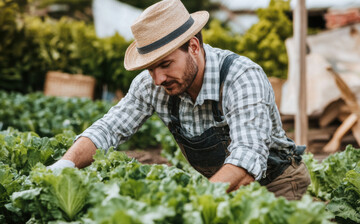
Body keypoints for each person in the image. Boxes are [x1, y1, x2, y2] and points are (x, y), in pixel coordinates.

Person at [49, 0, 311, 200]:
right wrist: (64, 164)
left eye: (165, 64)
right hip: (219, 189)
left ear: (194, 47)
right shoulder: (153, 84)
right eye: (150, 68)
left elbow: (246, 157)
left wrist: (197, 204)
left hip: (276, 185)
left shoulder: (240, 77)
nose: (157, 78)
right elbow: (108, 128)